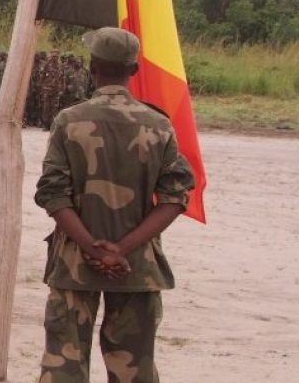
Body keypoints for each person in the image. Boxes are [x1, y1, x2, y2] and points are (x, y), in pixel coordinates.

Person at [33, 27, 195, 383]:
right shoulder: (159, 125)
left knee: (64, 363)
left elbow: (52, 193)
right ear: (133, 71)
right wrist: (119, 249)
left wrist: (93, 248)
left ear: (92, 67)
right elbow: (175, 198)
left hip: (76, 260)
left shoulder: (70, 121)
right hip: (135, 264)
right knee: (134, 365)